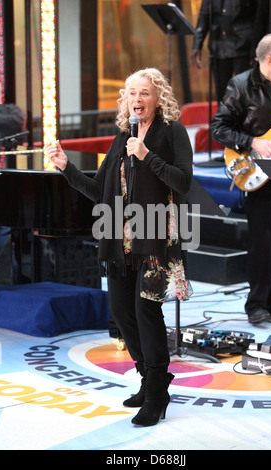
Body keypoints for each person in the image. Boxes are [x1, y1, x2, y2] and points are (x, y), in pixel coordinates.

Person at [45, 68, 193, 426]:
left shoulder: (172, 132)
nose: (136, 100)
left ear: (158, 98)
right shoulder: (120, 136)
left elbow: (184, 182)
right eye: (130, 93)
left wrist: (147, 156)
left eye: (144, 93)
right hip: (120, 239)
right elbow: (100, 192)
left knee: (146, 312)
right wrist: (67, 168)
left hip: (157, 236)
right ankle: (148, 378)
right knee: (122, 313)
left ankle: (157, 392)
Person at [211, 33, 271, 325]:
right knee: (262, 242)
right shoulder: (240, 86)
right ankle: (256, 304)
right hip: (255, 173)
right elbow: (219, 128)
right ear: (269, 60)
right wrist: (252, 142)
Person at [191, 0, 261, 102]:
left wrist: (255, 50)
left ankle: (246, 117)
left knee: (245, 93)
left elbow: (258, 18)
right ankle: (225, 117)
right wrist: (197, 45)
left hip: (243, 46)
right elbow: (203, 15)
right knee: (222, 95)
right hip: (218, 48)